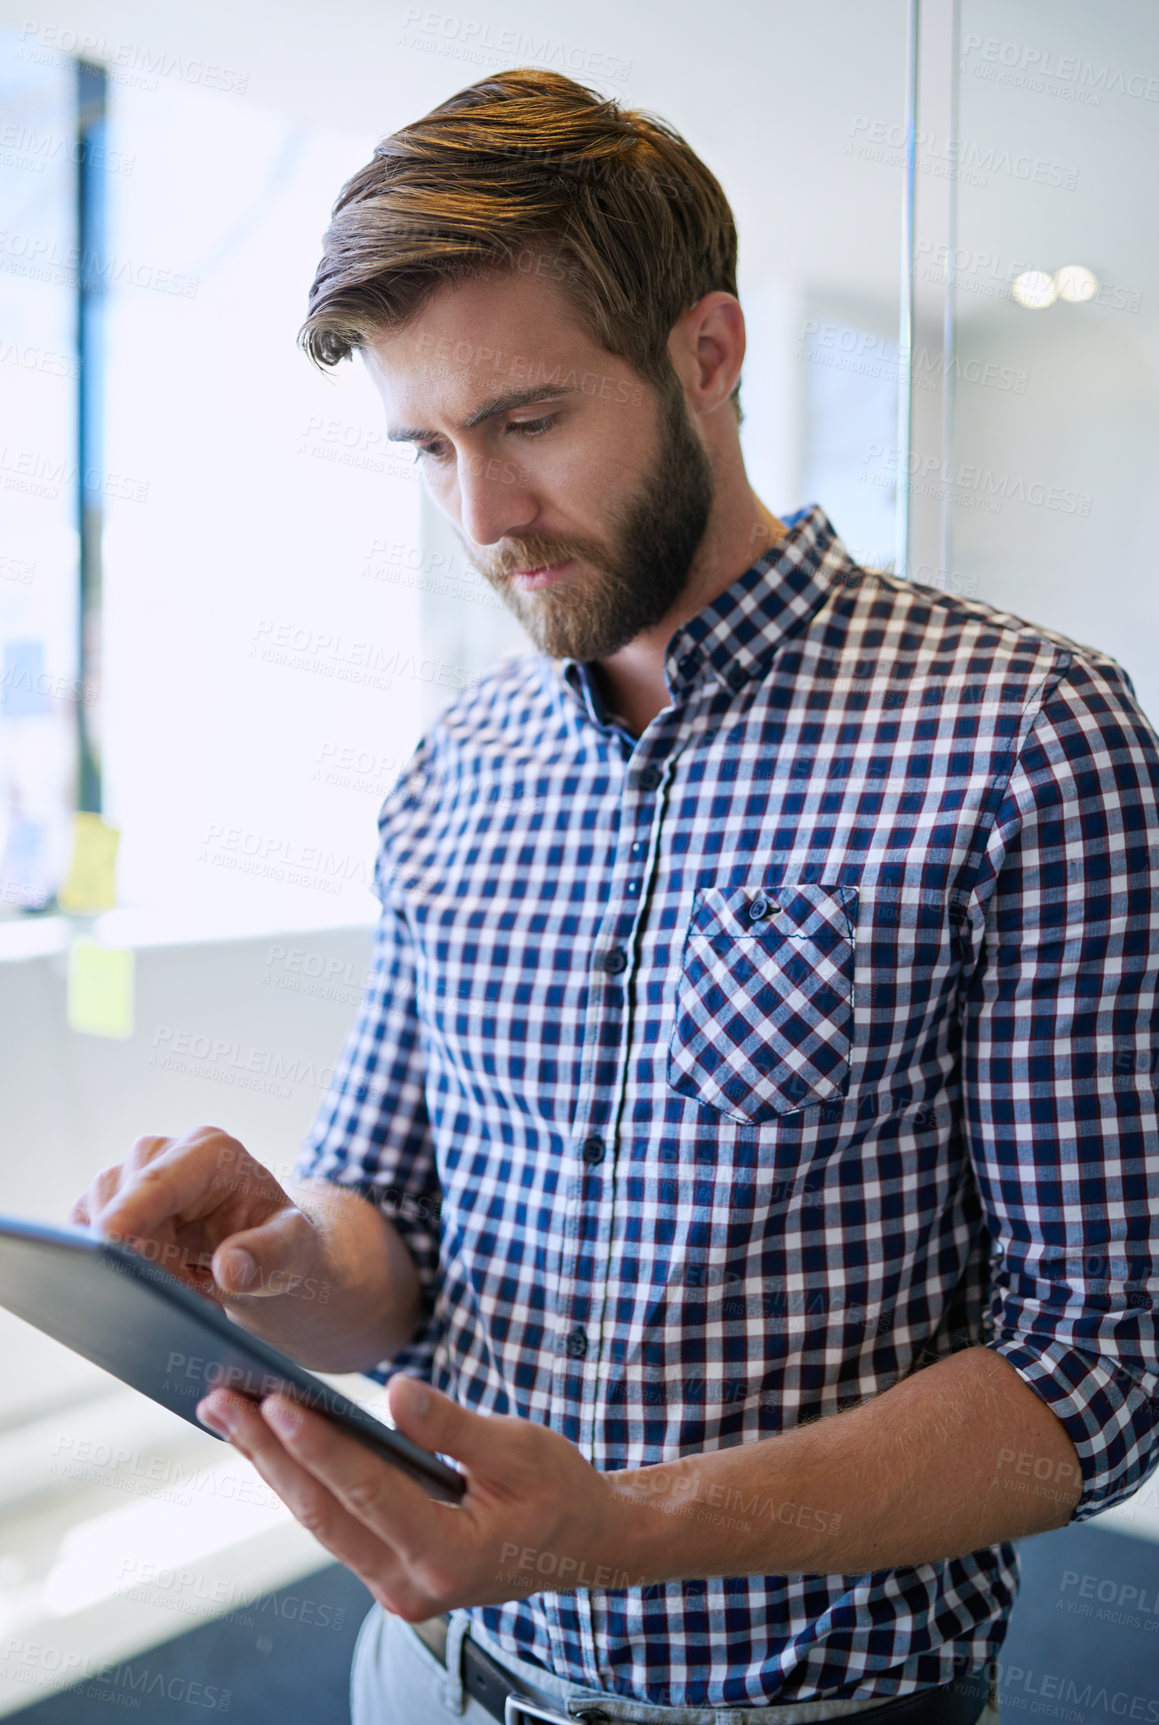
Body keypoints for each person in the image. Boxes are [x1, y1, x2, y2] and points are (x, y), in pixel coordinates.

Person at [71, 67, 1159, 1725]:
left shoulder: (1026, 736)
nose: (484, 517)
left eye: (527, 422)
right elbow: (393, 1240)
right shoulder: (456, 768)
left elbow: (1097, 1371)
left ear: (707, 354)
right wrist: (271, 1260)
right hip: (433, 1676)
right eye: (429, 448)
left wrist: (618, 1531)